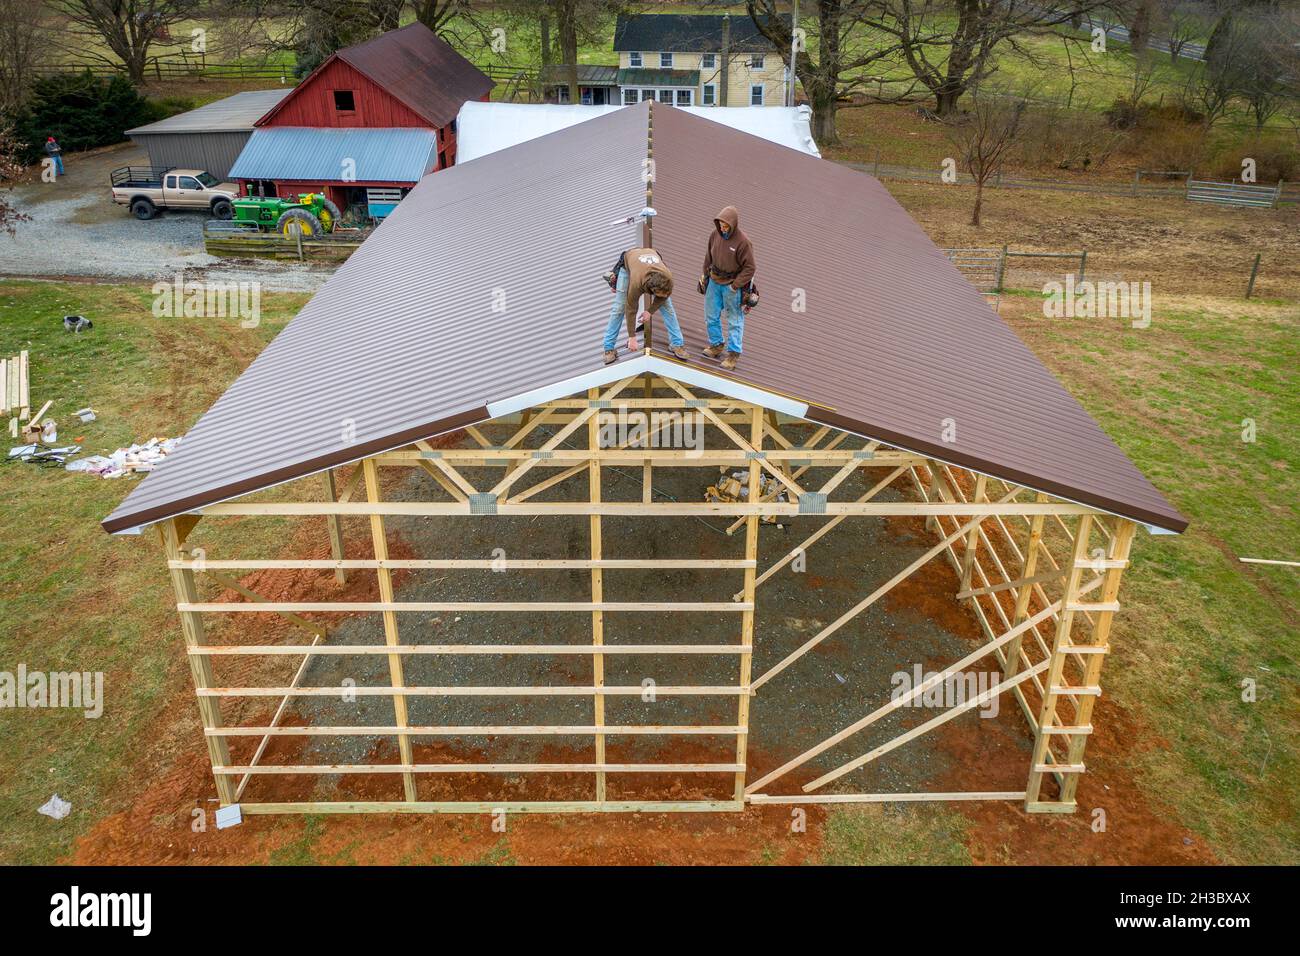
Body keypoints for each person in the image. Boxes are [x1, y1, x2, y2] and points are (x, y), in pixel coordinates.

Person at [602, 247, 688, 364]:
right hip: (628, 265)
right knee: (619, 308)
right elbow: (631, 309)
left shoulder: (668, 278)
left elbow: (664, 296)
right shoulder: (636, 283)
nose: (661, 296)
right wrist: (632, 337)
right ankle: (608, 348)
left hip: (651, 257)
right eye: (658, 294)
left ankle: (677, 344)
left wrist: (650, 311)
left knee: (668, 308)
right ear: (652, 289)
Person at [698, 205, 755, 371]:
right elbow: (708, 256)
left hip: (731, 285)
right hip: (714, 282)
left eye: (725, 224)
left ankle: (733, 354)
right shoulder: (714, 235)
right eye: (720, 224)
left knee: (734, 320)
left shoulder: (743, 242)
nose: (722, 227)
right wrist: (705, 276)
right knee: (711, 316)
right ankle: (716, 345)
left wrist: (735, 286)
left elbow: (750, 268)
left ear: (733, 224)